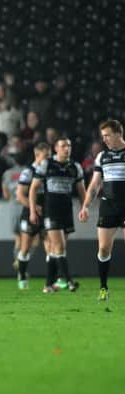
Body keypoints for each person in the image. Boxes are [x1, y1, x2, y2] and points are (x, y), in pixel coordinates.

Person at [29, 138, 85, 293]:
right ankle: (70, 281)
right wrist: (32, 211)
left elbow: (81, 190)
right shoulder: (47, 164)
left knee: (56, 249)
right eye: (63, 146)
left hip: (66, 210)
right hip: (51, 210)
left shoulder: (75, 167)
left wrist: (84, 207)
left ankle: (48, 285)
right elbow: (33, 189)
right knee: (59, 246)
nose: (67, 148)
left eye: (69, 145)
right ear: (56, 148)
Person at [79, 120, 125, 301]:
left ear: (118, 133)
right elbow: (95, 184)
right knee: (104, 248)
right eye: (103, 136)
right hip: (109, 205)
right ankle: (103, 287)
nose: (104, 139)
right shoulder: (102, 156)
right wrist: (85, 206)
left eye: (107, 135)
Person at [15, 142, 51, 290]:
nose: (49, 158)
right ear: (37, 155)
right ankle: (22, 275)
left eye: (50, 155)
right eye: (46, 156)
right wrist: (33, 207)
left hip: (46, 212)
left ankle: (52, 280)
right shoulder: (28, 172)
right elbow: (19, 195)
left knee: (50, 246)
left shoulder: (49, 170)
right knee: (25, 247)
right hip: (29, 213)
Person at [1, 153, 27, 274]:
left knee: (17, 238)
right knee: (31, 238)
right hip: (26, 207)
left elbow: (5, 195)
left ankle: (18, 261)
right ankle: (22, 263)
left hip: (13, 208)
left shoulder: (7, 174)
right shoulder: (28, 172)